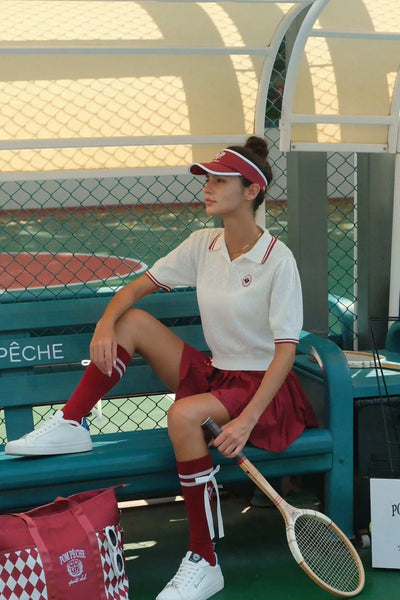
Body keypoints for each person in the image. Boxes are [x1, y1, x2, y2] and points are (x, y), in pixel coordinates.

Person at [5, 136, 318, 600]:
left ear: (251, 191)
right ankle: (73, 422)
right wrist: (106, 325)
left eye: (218, 181)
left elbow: (286, 351)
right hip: (218, 374)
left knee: (183, 414)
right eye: (206, 180)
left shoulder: (279, 260)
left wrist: (248, 418)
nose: (207, 189)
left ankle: (205, 560)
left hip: (261, 391)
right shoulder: (202, 244)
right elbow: (133, 291)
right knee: (133, 322)